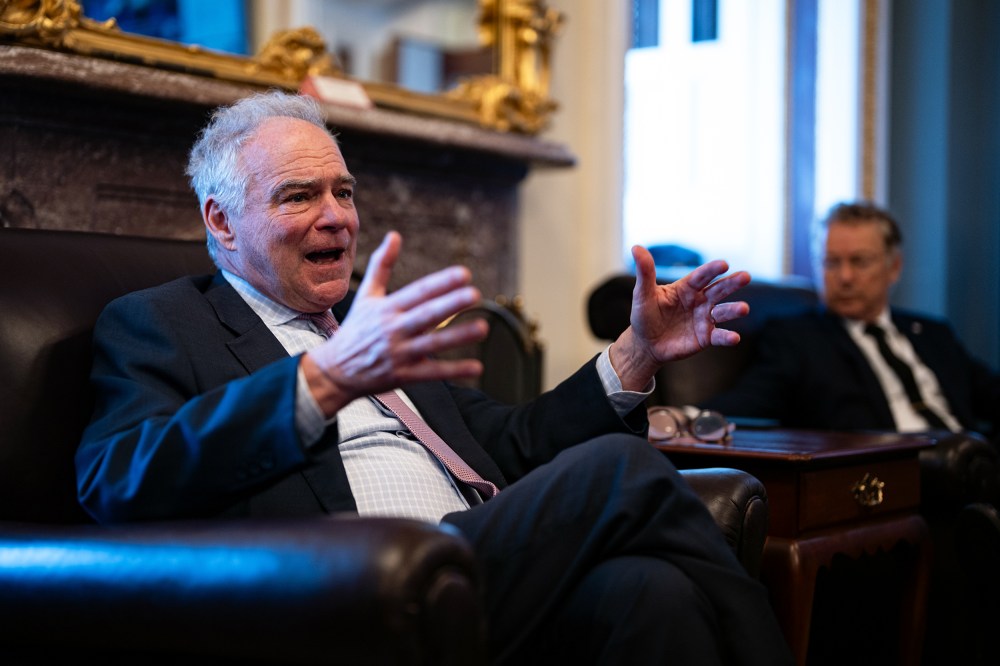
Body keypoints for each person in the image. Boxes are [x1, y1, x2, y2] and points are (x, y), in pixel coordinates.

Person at [75, 91, 790, 665]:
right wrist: (320, 382)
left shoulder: (372, 317)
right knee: (622, 466)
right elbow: (118, 479)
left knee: (651, 592)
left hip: (470, 563)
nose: (336, 218)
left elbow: (510, 443)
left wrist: (635, 354)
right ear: (222, 222)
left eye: (344, 192)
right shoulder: (161, 322)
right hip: (343, 589)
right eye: (298, 196)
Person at [706, 201, 1000, 438]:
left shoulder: (934, 333)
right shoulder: (796, 338)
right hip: (892, 479)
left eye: (859, 261)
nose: (845, 277)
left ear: (893, 267)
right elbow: (747, 403)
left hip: (974, 468)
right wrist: (683, 420)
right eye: (831, 262)